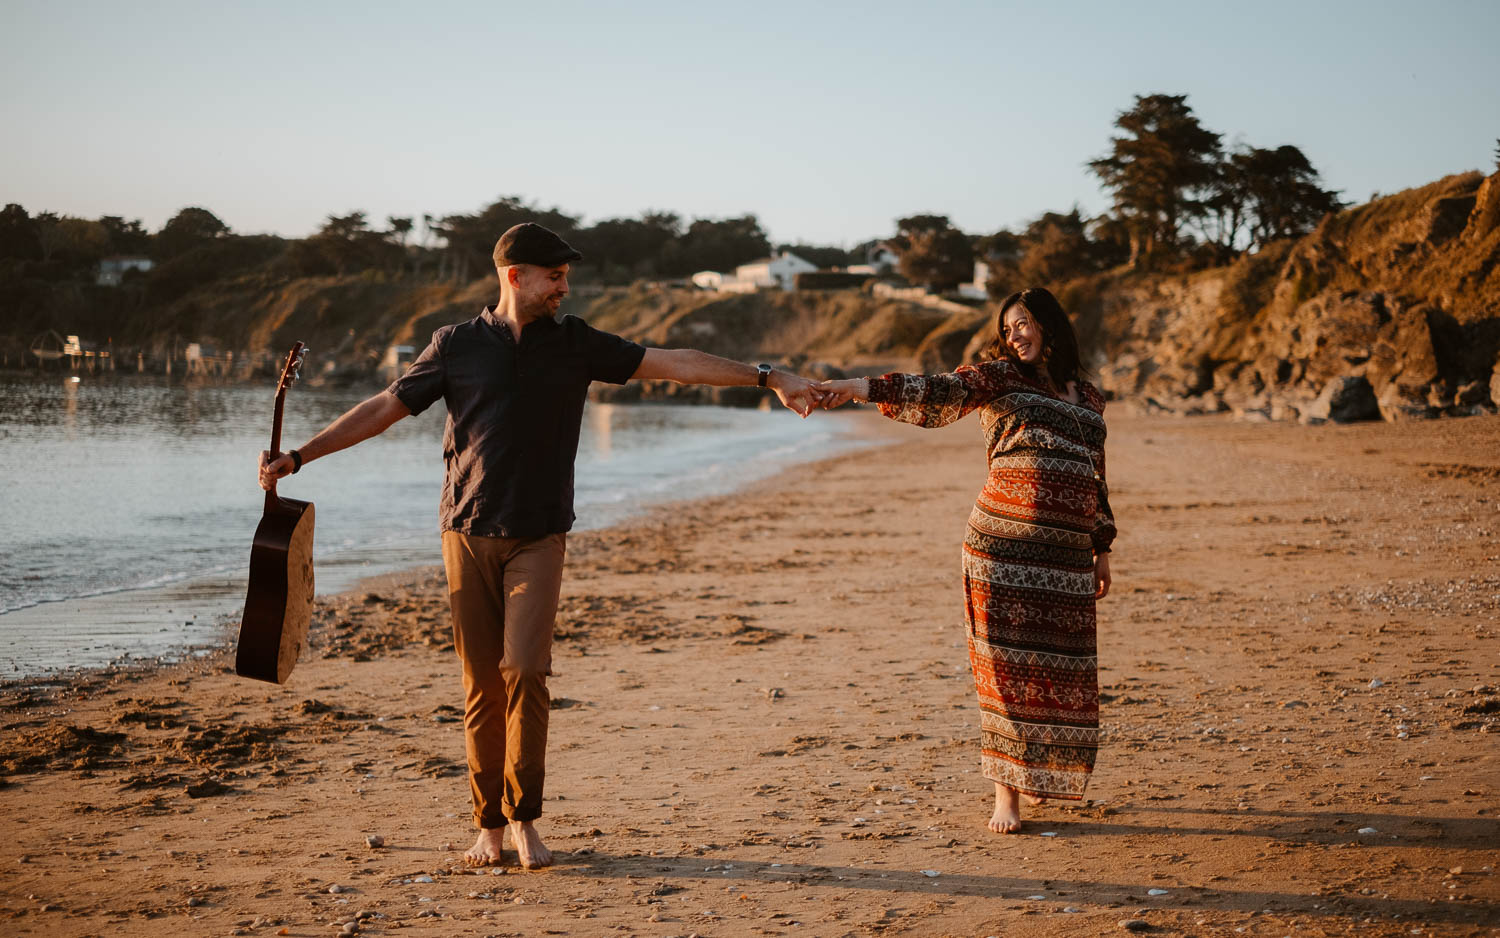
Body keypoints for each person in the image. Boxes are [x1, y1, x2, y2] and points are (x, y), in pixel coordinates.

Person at [257, 222, 825, 868]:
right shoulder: (455, 345)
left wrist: (766, 376)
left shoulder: (576, 343)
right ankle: (488, 828)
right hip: (466, 532)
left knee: (526, 671)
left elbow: (675, 363)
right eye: (554, 277)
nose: (563, 288)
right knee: (481, 687)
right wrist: (300, 456)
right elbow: (384, 407)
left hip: (539, 534)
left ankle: (525, 818)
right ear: (515, 276)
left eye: (565, 277)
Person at [818, 286, 1116, 834]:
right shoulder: (999, 378)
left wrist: (1102, 547)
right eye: (1007, 329)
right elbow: (937, 391)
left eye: (1022, 323)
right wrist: (860, 388)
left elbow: (1096, 475)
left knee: (1058, 666)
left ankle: (1036, 770)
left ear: (1050, 324)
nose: (1014, 336)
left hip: (1067, 554)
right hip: (1001, 546)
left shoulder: (1090, 398)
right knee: (1004, 667)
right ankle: (1006, 794)